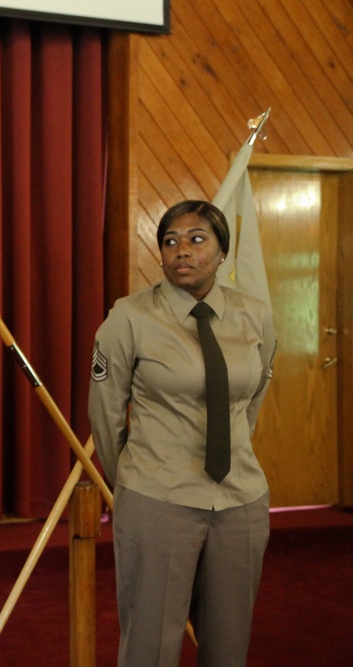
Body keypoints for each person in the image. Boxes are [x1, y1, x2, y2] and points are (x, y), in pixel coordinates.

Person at [88, 200, 276, 666]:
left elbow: (251, 401)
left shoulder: (254, 316)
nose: (182, 251)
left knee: (230, 645)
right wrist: (135, 480)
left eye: (197, 240)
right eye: (170, 242)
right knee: (150, 646)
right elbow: (107, 414)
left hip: (241, 500)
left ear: (222, 252)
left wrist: (232, 453)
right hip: (159, 498)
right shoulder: (129, 318)